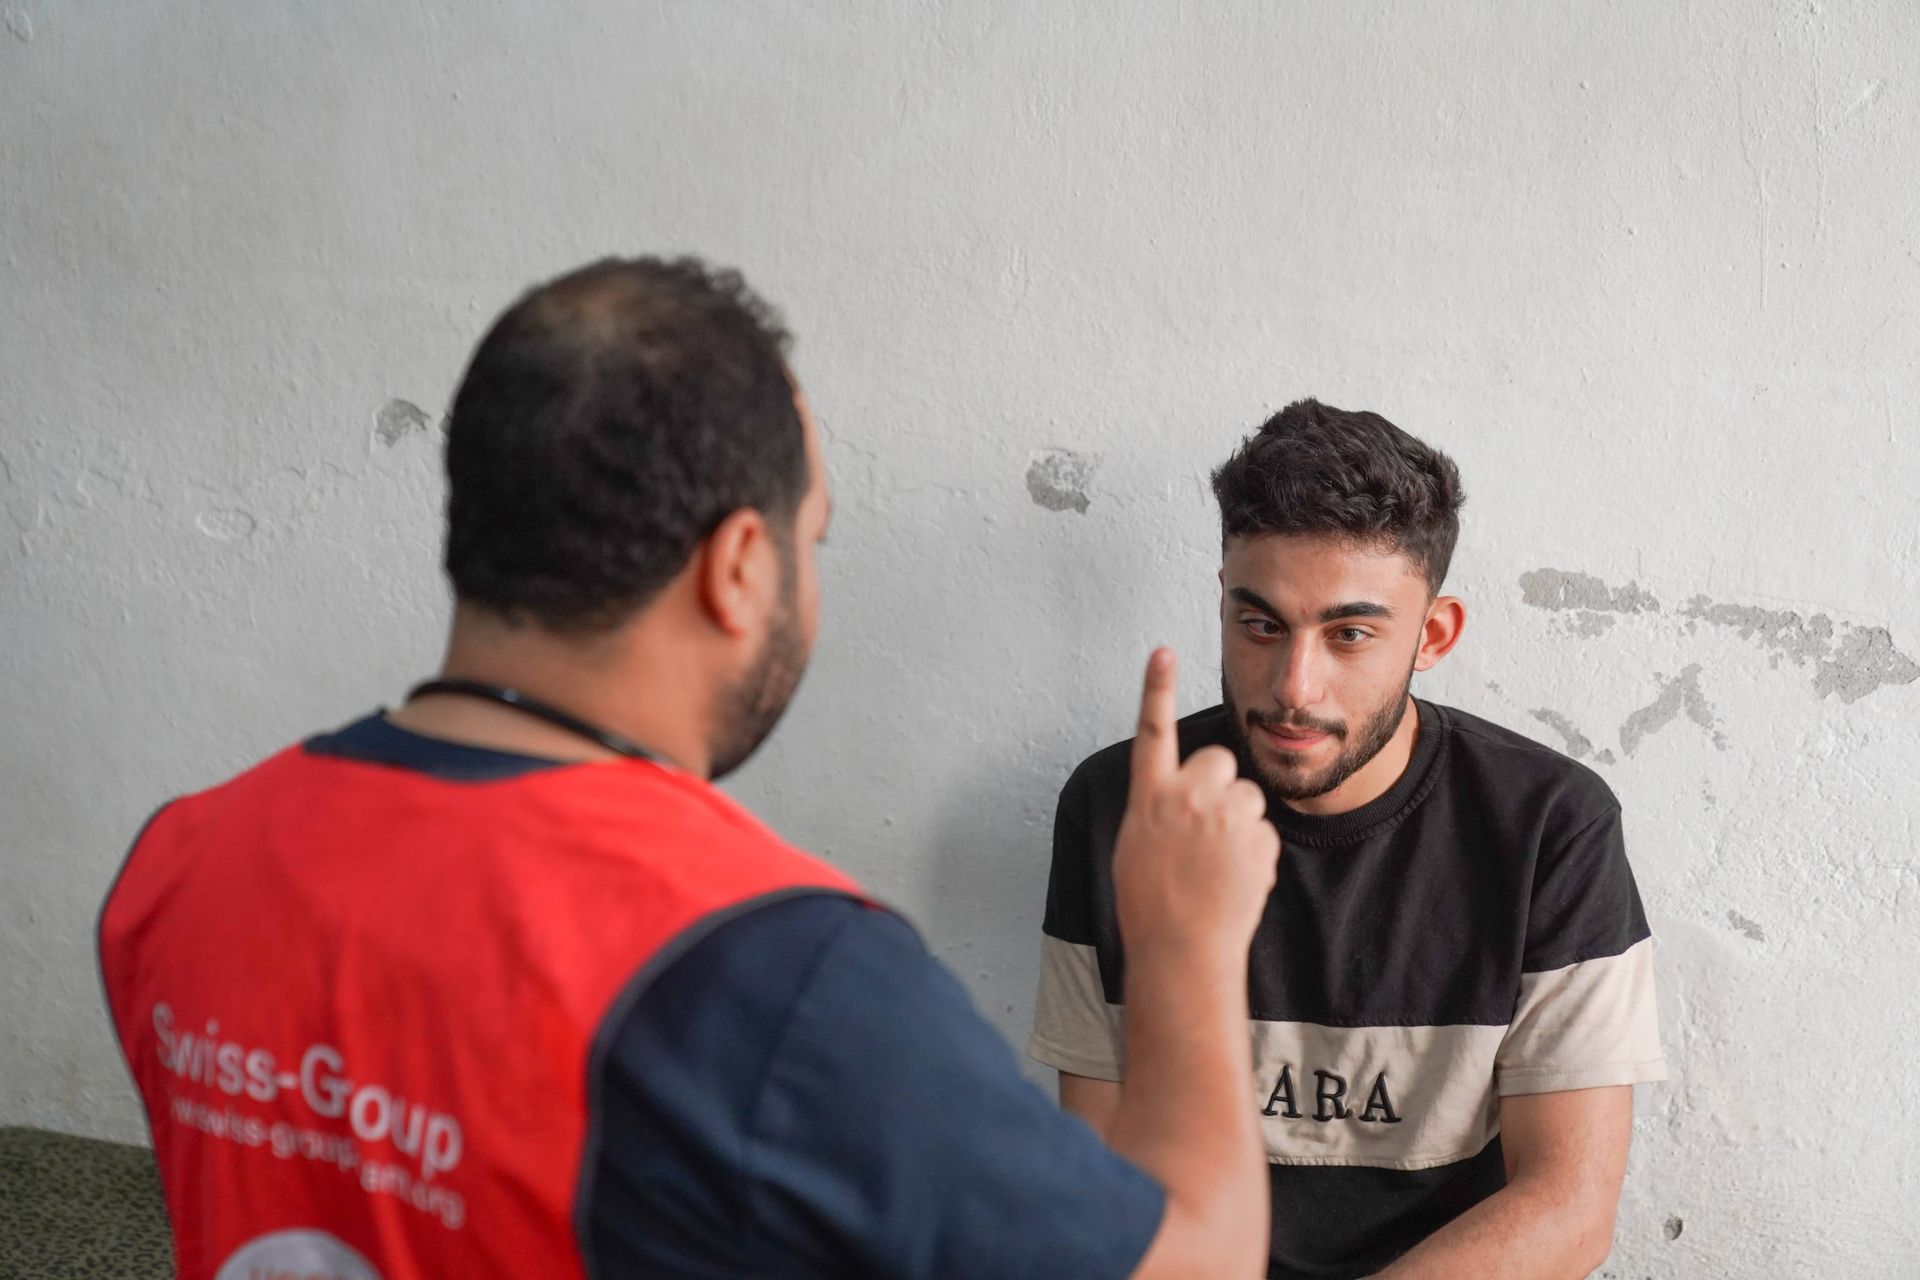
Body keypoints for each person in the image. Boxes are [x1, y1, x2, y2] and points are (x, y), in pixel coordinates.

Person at [98, 258, 1281, 1280]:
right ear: (737, 567)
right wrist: (1184, 940)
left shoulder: (181, 856)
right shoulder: (774, 967)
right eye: (811, 543)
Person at [1030, 399, 1667, 1279]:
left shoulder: (1551, 824)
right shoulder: (1124, 806)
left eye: (1350, 634)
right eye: (1261, 625)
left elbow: (1567, 1205)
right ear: (1223, 604)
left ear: (1432, 635)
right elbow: (1097, 1178)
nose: (1295, 686)